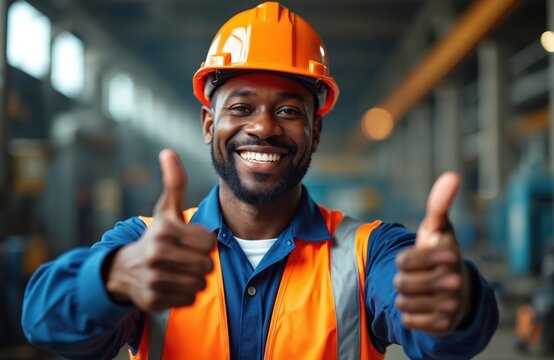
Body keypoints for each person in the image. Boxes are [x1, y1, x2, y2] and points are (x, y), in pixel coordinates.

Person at [21, 2, 498, 359]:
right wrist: (115, 278)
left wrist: (451, 302)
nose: (264, 127)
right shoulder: (146, 247)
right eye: (241, 107)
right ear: (210, 126)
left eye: (289, 111)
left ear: (315, 131)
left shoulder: (370, 253)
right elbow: (45, 321)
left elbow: (442, 333)